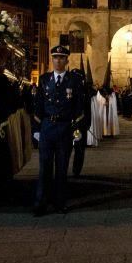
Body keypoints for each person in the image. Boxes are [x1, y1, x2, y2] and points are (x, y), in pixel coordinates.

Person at [32, 45, 85, 216]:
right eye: (55, 57)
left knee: (61, 169)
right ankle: (40, 203)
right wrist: (36, 129)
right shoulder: (45, 79)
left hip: (64, 128)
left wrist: (77, 129)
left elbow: (78, 107)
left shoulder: (74, 81)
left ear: (67, 60)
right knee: (44, 169)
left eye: (62, 58)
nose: (58, 61)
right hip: (47, 127)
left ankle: (60, 202)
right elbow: (38, 105)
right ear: (52, 60)